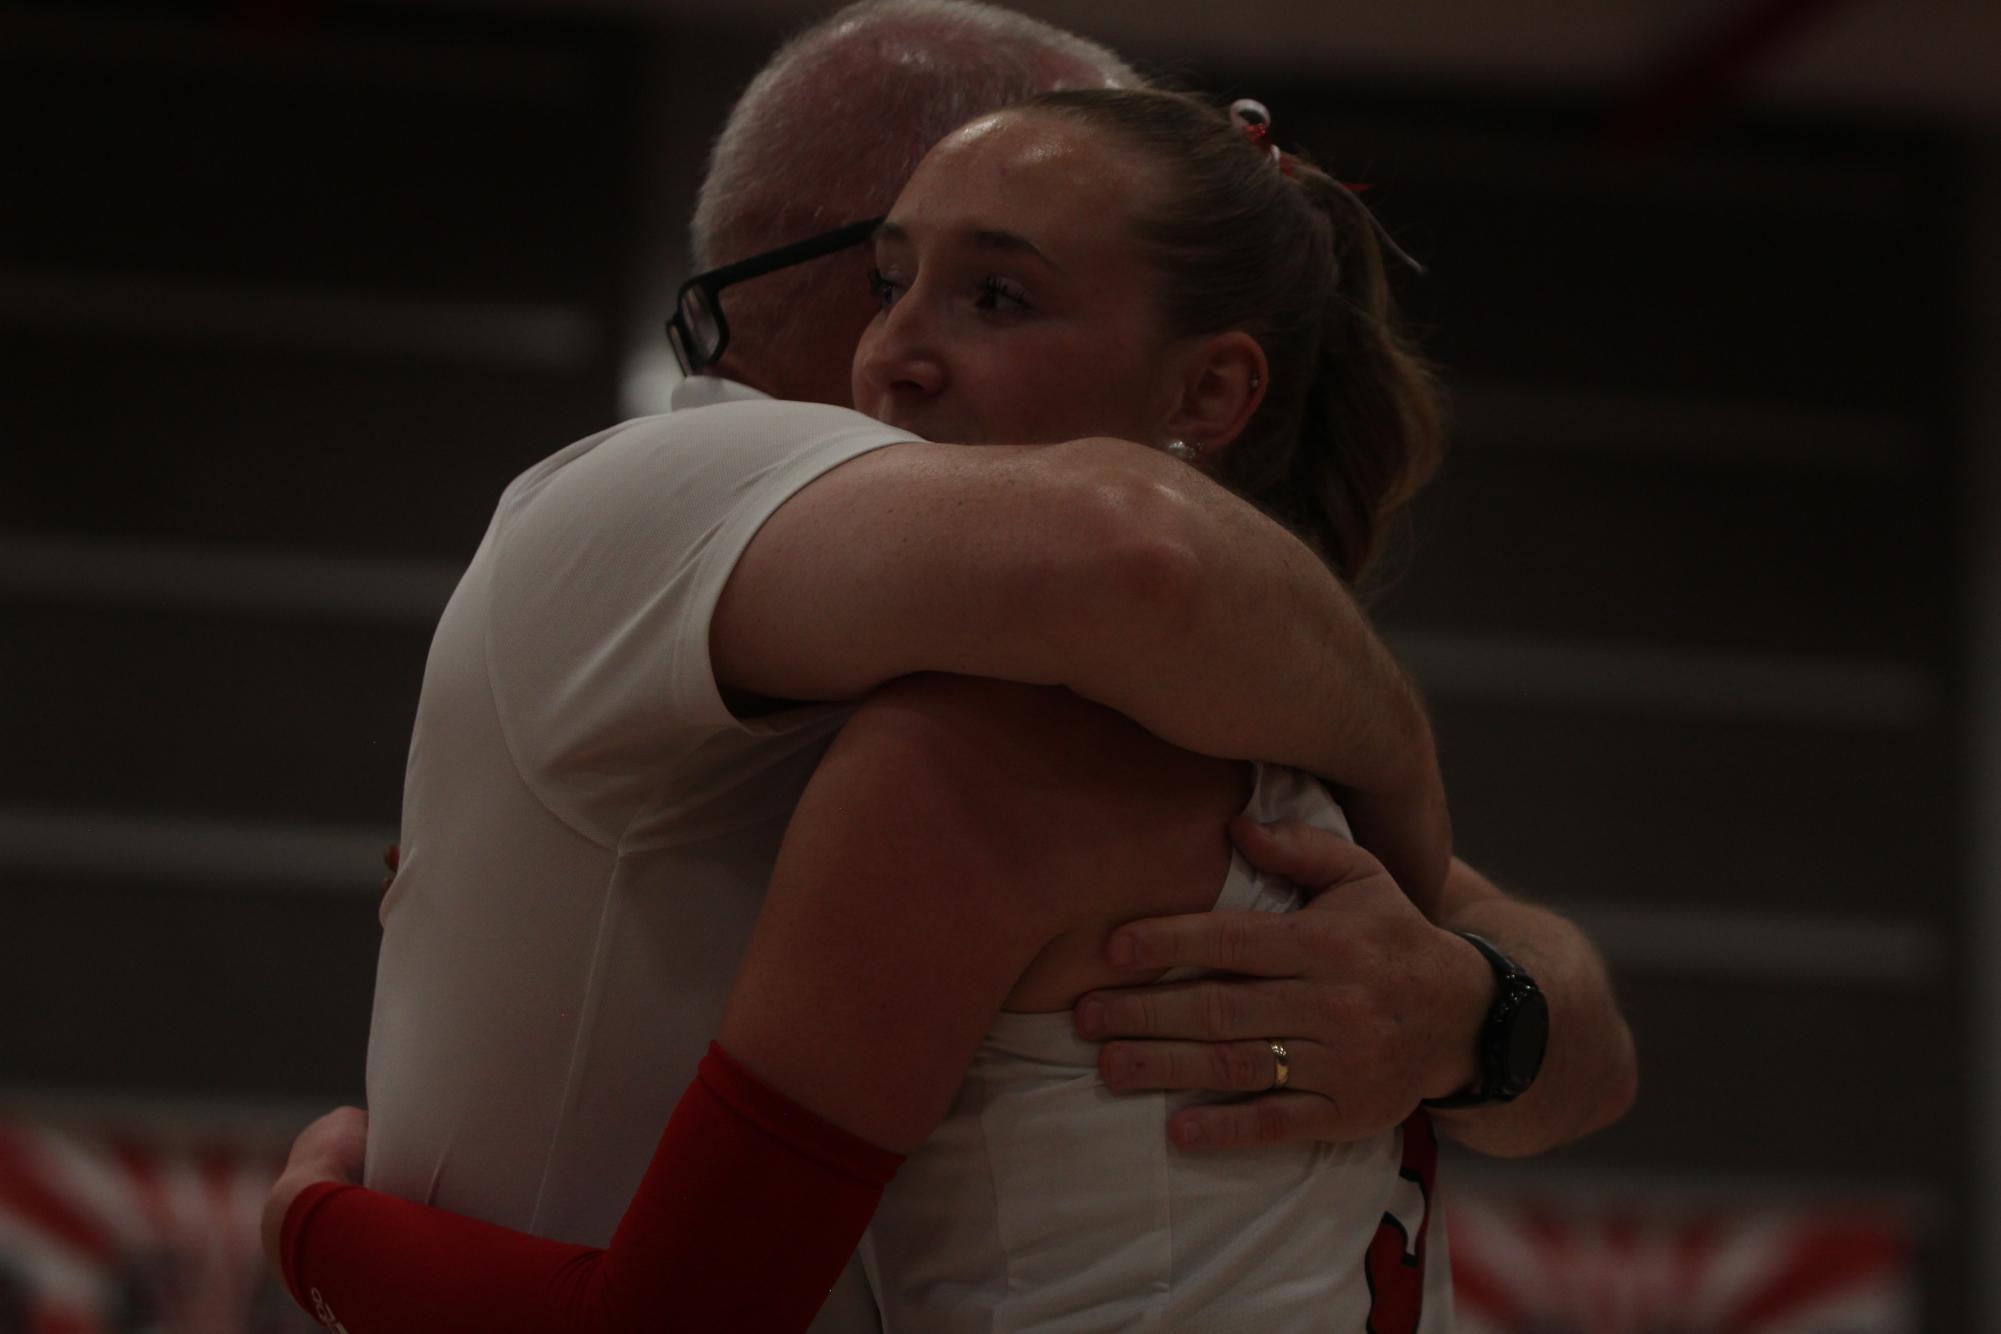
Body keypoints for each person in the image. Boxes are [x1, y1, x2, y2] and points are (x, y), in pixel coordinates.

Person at [265, 74, 1633, 1332]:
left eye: (999, 297)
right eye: (889, 281)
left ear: (1210, 386)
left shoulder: (1000, 745)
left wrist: (311, 1221)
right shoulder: (1280, 756)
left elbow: (665, 1327)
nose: (892, 356)